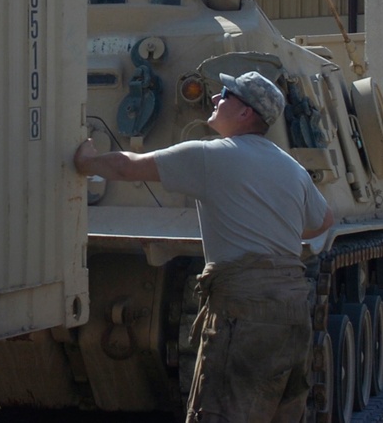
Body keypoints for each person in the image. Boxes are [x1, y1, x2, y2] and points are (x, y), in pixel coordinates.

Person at [74, 70, 334, 422]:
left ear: (246, 113)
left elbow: (128, 167)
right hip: (291, 313)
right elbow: (322, 221)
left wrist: (86, 161)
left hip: (244, 313)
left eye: (226, 94)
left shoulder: (211, 156)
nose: (214, 98)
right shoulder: (292, 168)